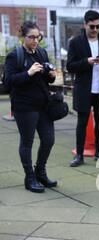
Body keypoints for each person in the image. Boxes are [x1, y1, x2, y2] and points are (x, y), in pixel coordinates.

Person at [4, 21, 57, 193]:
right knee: (27, 142)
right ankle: (29, 177)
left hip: (43, 105)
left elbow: (47, 80)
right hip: (24, 107)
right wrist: (28, 73)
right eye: (31, 37)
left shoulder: (41, 52)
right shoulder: (15, 56)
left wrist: (51, 75)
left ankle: (40, 171)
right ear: (23, 37)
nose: (35, 40)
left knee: (48, 139)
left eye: (38, 37)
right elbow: (8, 82)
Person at [67, 10, 99, 167]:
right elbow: (70, 66)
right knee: (82, 122)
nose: (95, 29)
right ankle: (79, 155)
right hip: (84, 89)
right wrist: (86, 62)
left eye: (98, 26)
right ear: (85, 24)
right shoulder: (75, 42)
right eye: (92, 26)